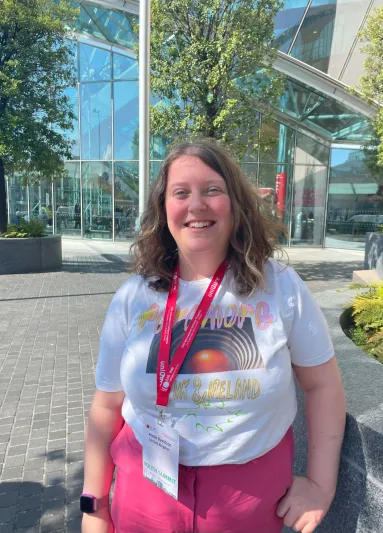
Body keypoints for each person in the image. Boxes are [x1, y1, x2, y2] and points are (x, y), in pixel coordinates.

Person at [81, 140, 346, 533]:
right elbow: (105, 410)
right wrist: (94, 507)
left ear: (235, 203)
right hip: (145, 495)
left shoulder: (280, 287)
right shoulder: (133, 298)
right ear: (163, 208)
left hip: (249, 502)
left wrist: (322, 486)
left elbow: (324, 386)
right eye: (181, 192)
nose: (196, 205)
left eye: (212, 190)